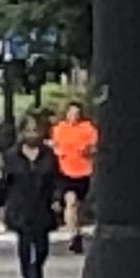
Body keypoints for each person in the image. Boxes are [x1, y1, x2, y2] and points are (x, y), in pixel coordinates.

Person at [0, 117, 62, 278]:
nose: (32, 135)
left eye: (35, 131)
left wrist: (57, 198)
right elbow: (6, 182)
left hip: (42, 204)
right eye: (28, 131)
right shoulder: (12, 156)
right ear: (22, 134)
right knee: (25, 241)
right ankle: (29, 276)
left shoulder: (49, 155)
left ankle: (37, 267)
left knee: (42, 245)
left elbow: (55, 180)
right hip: (20, 205)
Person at [49, 102, 98, 253]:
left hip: (83, 171)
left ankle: (77, 230)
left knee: (79, 206)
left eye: (77, 113)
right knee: (71, 202)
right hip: (65, 171)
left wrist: (88, 151)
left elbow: (95, 147)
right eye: (71, 113)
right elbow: (53, 145)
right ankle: (73, 235)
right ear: (67, 114)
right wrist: (55, 151)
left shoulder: (88, 129)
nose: (74, 116)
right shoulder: (59, 129)